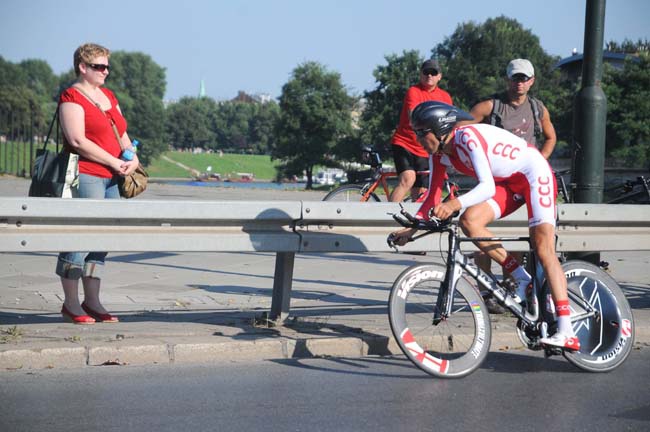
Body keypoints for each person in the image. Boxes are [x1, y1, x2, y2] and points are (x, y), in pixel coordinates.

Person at [390, 101, 579, 350]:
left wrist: (454, 204)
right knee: (470, 222)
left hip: (533, 174)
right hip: (509, 183)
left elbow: (486, 187)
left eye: (421, 133)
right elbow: (431, 200)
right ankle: (523, 278)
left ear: (440, 128)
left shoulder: (466, 138)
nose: (418, 139)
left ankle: (567, 330)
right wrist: (411, 229)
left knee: (543, 248)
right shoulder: (438, 155)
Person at [465, 59, 558, 313]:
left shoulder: (538, 108)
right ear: (507, 79)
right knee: (481, 233)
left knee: (519, 242)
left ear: (532, 81)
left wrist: (541, 160)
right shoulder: (491, 107)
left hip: (526, 182)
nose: (520, 83)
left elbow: (551, 137)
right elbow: (461, 130)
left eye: (525, 78)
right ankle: (485, 288)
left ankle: (515, 289)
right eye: (515, 78)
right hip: (495, 183)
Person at [56, 43, 139, 324]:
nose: (106, 71)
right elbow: (78, 141)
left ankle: (92, 301)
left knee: (101, 241)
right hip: (87, 173)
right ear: (83, 67)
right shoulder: (72, 96)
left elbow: (122, 135)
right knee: (79, 238)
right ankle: (70, 304)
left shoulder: (108, 95)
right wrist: (114, 162)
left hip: (114, 178)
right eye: (99, 67)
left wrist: (133, 159)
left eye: (107, 67)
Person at [389, 59, 453, 202]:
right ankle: (388, 219)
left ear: (439, 76)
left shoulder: (445, 97)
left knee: (421, 193)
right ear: (420, 74)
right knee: (408, 179)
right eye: (426, 72)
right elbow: (414, 117)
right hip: (405, 143)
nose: (429, 75)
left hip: (427, 148)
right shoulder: (414, 91)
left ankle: (414, 224)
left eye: (433, 72)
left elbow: (449, 122)